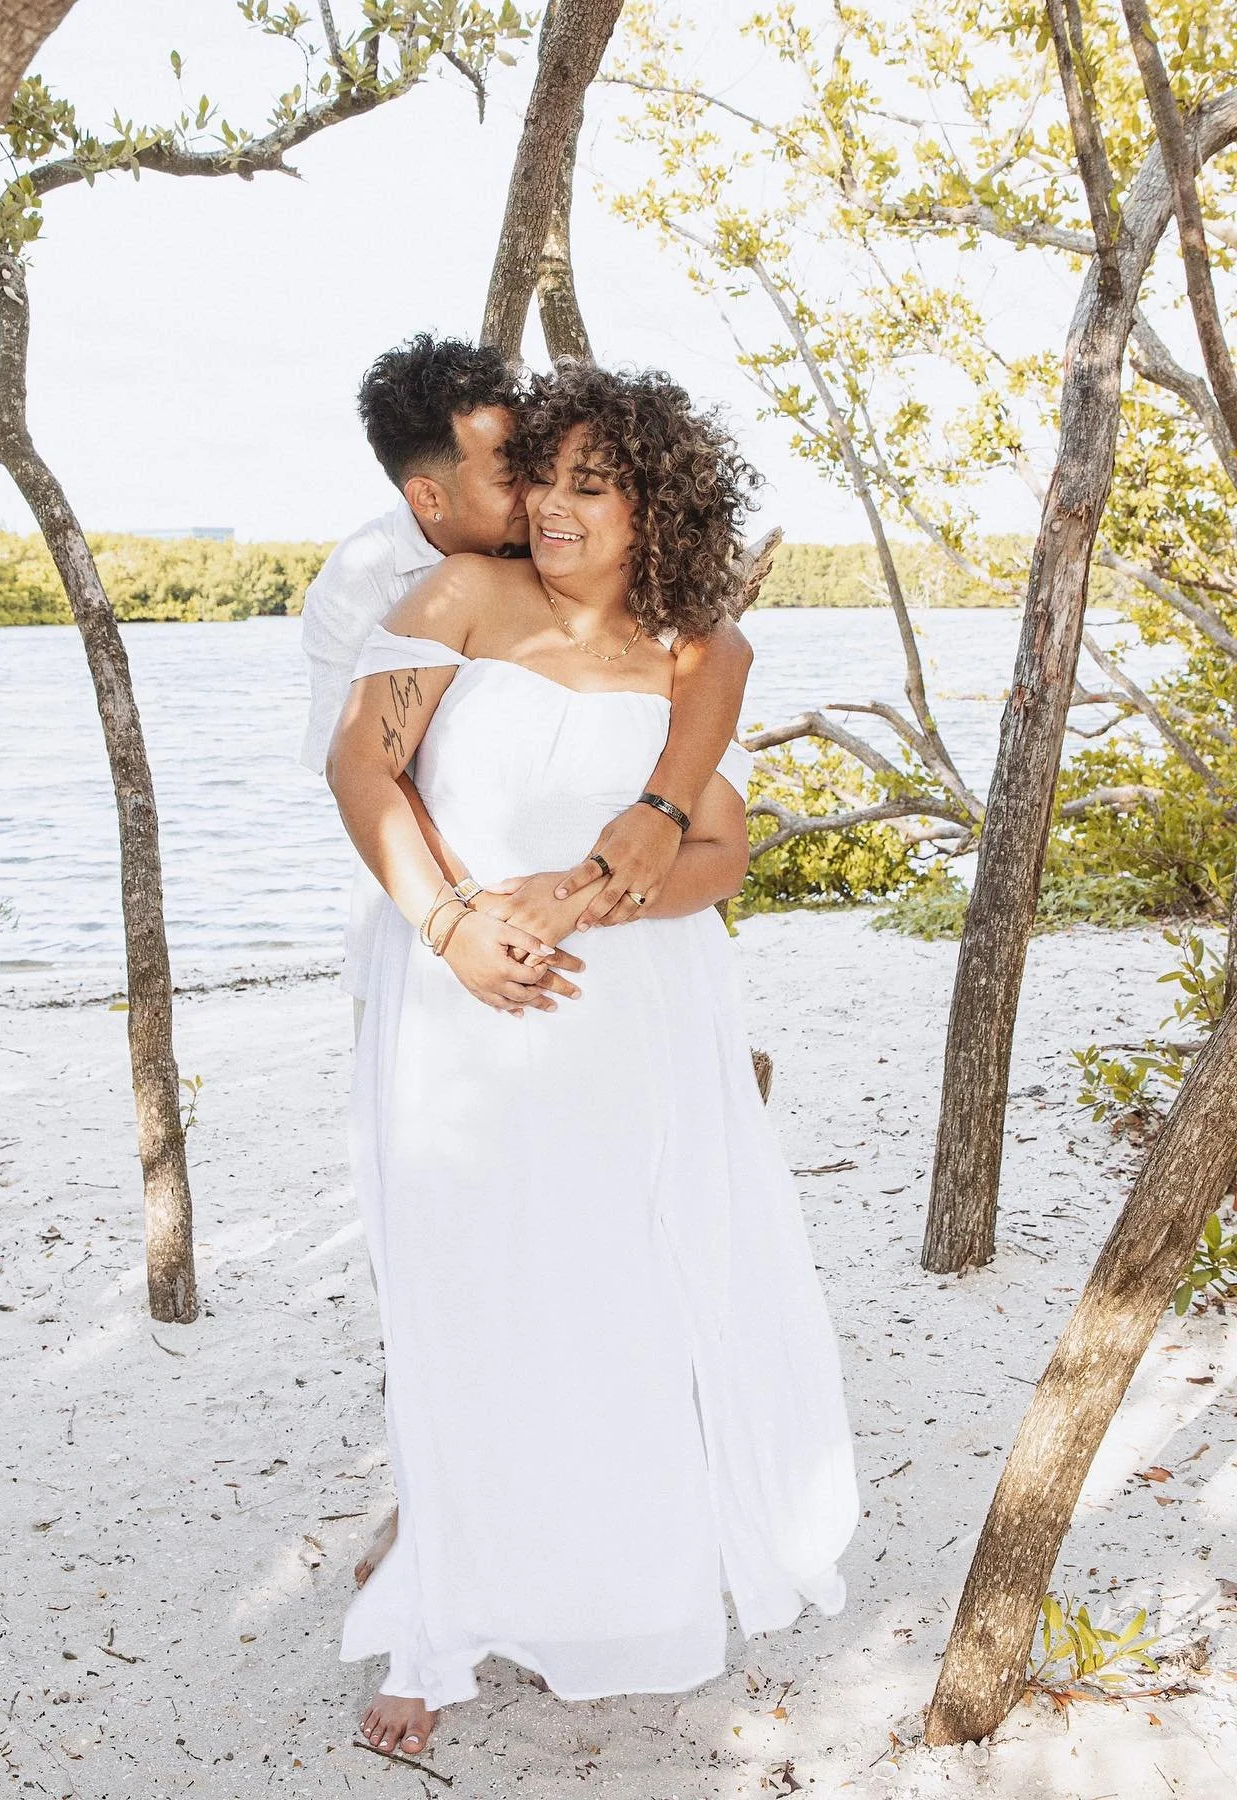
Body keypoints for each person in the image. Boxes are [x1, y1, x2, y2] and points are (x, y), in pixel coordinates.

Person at [326, 364, 858, 1761]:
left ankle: (612, 1595)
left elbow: (719, 854)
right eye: (542, 478)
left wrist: (579, 898)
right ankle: (441, 1619)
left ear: (653, 508)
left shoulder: (686, 654)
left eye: (588, 484)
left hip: (630, 1023)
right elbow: (361, 774)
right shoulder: (457, 604)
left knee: (618, 1301)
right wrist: (450, 926)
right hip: (459, 1010)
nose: (552, 508)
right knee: (466, 1301)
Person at [299, 334, 756, 1027]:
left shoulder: (642, 610)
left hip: (635, 978)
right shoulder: (371, 585)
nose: (538, 504)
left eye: (545, 471)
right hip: (432, 922)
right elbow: (361, 765)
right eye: (520, 477)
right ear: (429, 497)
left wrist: (656, 819)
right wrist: (463, 914)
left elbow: (722, 650)